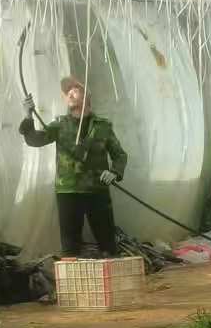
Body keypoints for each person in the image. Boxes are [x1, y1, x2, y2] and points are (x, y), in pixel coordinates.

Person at [19, 77, 129, 258]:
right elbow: (34, 140)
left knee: (108, 245)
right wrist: (28, 115)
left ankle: (111, 272)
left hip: (97, 190)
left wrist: (114, 172)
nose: (69, 94)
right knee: (70, 249)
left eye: (75, 90)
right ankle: (72, 275)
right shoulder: (59, 125)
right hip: (68, 191)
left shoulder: (103, 126)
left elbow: (120, 155)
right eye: (66, 92)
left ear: (87, 96)